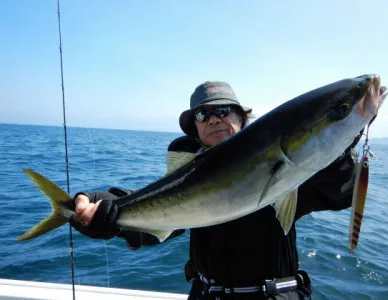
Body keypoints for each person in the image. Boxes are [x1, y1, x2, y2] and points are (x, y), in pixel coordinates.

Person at [71, 81, 362, 299]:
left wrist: (340, 142)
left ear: (241, 118)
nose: (212, 119)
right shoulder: (186, 179)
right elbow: (159, 219)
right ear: (195, 130)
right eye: (202, 116)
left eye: (223, 110)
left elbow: (337, 193)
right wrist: (106, 208)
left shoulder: (288, 165)